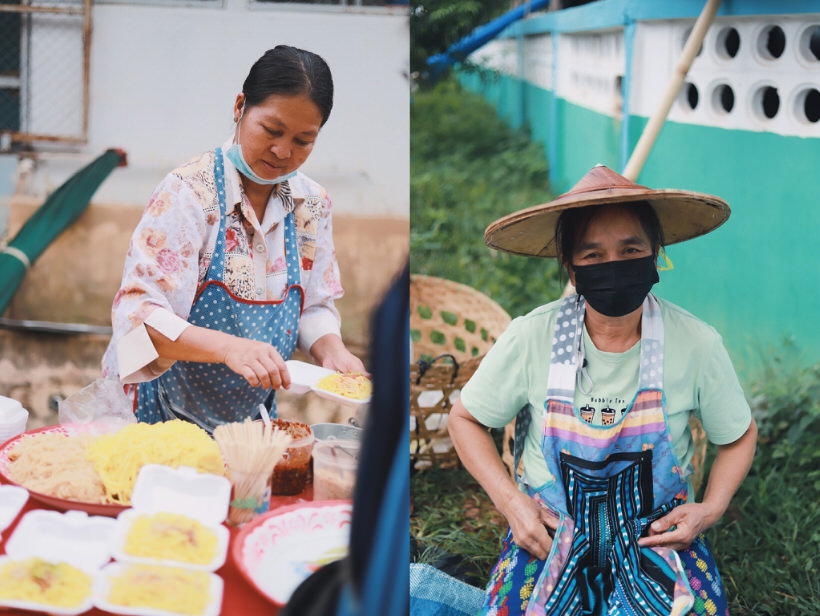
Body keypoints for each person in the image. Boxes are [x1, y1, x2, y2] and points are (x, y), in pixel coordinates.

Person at [448, 164, 757, 616]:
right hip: (551, 537)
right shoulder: (532, 335)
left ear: (656, 253)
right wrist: (512, 504)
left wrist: (708, 510)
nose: (613, 265)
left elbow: (739, 435)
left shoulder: (696, 343)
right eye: (593, 256)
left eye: (630, 248)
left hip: (657, 537)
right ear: (571, 268)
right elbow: (466, 419)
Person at [102, 45, 365, 432]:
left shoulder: (313, 206)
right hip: (155, 416)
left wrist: (332, 350)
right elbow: (140, 321)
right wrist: (229, 348)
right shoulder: (189, 194)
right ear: (240, 106)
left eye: (303, 140)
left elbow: (314, 306)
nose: (282, 151)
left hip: (246, 424)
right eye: (272, 131)